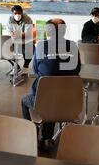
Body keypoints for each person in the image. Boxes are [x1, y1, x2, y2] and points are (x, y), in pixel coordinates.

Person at [21, 18, 81, 150]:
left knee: (28, 100)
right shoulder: (73, 46)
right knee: (52, 93)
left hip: (45, 101)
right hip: (69, 102)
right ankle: (47, 138)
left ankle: (30, 136)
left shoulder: (42, 46)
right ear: (64, 31)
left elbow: (36, 70)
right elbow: (77, 70)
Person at [6, 5, 34, 75]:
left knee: (29, 51)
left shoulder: (27, 19)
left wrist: (16, 34)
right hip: (15, 41)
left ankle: (25, 67)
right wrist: (16, 34)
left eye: (19, 13)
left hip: (26, 41)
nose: (17, 15)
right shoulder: (10, 19)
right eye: (15, 13)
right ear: (12, 13)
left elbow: (27, 34)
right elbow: (10, 32)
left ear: (22, 12)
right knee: (5, 51)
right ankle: (16, 67)